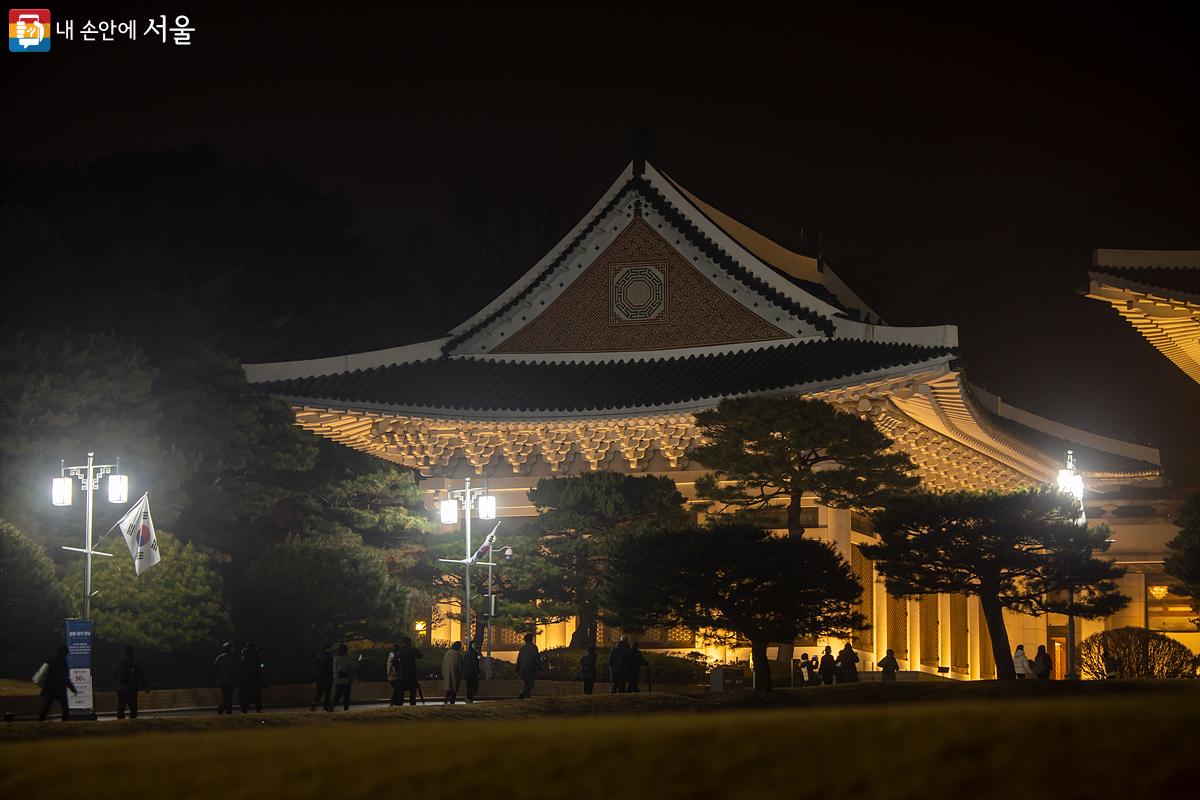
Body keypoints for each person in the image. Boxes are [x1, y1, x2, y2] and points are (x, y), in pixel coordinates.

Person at [37, 644, 77, 721]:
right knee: (65, 707)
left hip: (50, 688)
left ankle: (39, 721)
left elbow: (43, 673)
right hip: (60, 689)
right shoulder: (63, 662)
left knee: (47, 706)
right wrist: (72, 688)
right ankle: (65, 723)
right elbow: (64, 677)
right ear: (65, 653)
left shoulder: (51, 660)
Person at [112, 645, 149, 719]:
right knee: (133, 708)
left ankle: (120, 723)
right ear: (132, 652)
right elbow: (141, 675)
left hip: (121, 689)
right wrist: (145, 687)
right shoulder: (135, 662)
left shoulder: (119, 662)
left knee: (121, 707)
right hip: (132, 689)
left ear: (123, 652)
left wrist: (117, 685)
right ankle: (133, 724)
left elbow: (113, 674)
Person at [212, 641, 237, 714]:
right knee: (228, 696)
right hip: (230, 679)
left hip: (221, 680)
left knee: (227, 696)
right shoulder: (233, 658)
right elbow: (235, 669)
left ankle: (228, 710)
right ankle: (223, 709)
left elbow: (214, 668)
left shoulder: (220, 657)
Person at [397, 637, 423, 706]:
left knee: (401, 690)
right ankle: (412, 704)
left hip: (403, 673)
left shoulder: (400, 650)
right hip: (411, 673)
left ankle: (400, 703)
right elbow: (419, 655)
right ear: (409, 642)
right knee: (412, 690)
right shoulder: (410, 650)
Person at [239, 642, 263, 713]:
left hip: (245, 678)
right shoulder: (256, 654)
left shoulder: (244, 654)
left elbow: (241, 667)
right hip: (255, 677)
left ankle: (244, 708)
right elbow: (260, 667)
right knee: (256, 693)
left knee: (245, 694)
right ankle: (258, 707)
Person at [310, 644, 334, 711]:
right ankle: (326, 707)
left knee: (319, 692)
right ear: (327, 649)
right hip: (327, 677)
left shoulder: (318, 656)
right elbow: (331, 668)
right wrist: (332, 677)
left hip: (318, 677)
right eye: (330, 648)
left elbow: (314, 666)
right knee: (327, 692)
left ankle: (314, 705)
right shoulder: (329, 657)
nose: (331, 650)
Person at [331, 643, 354, 711]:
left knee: (338, 695)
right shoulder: (347, 658)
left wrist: (335, 677)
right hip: (345, 679)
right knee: (345, 695)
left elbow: (334, 669)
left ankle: (332, 706)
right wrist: (351, 678)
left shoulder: (336, 658)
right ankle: (345, 709)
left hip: (339, 679)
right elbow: (350, 668)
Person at [515, 632, 539, 698]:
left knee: (526, 683)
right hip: (531, 668)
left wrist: (517, 669)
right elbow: (536, 658)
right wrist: (538, 666)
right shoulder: (534, 648)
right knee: (530, 683)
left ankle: (527, 695)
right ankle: (524, 693)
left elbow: (519, 659)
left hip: (523, 669)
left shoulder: (522, 648)